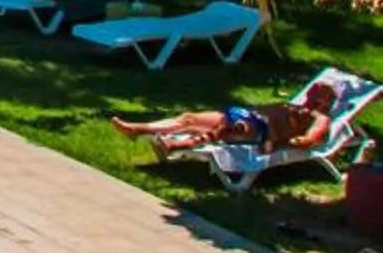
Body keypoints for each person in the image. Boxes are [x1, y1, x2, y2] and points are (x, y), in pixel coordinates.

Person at [112, 81, 339, 154]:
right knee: (189, 118)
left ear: (324, 101)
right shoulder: (293, 105)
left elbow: (314, 137)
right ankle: (138, 129)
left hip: (261, 133)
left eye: (316, 93)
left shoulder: (320, 117)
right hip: (246, 117)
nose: (309, 95)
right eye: (311, 91)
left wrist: (301, 140)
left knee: (231, 128)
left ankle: (177, 144)